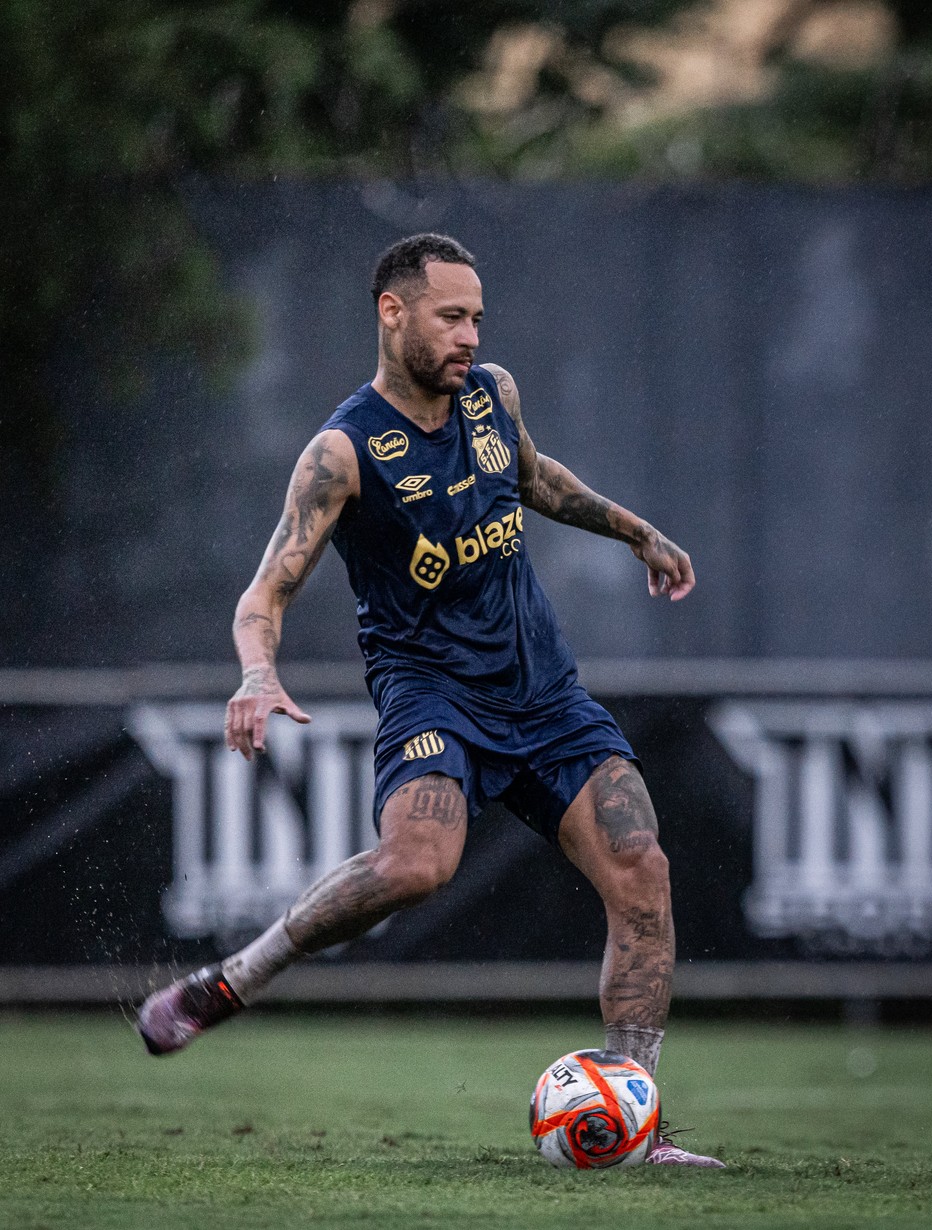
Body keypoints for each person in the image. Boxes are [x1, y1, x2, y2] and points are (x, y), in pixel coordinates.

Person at [138, 233, 724, 1168]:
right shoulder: (343, 451)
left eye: (477, 317)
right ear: (393, 313)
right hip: (435, 697)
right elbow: (265, 593)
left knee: (642, 867)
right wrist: (257, 673)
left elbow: (534, 480)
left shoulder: (492, 393)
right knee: (417, 865)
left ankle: (638, 1127)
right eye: (451, 317)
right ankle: (235, 980)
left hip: (545, 692)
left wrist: (636, 532)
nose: (469, 334)